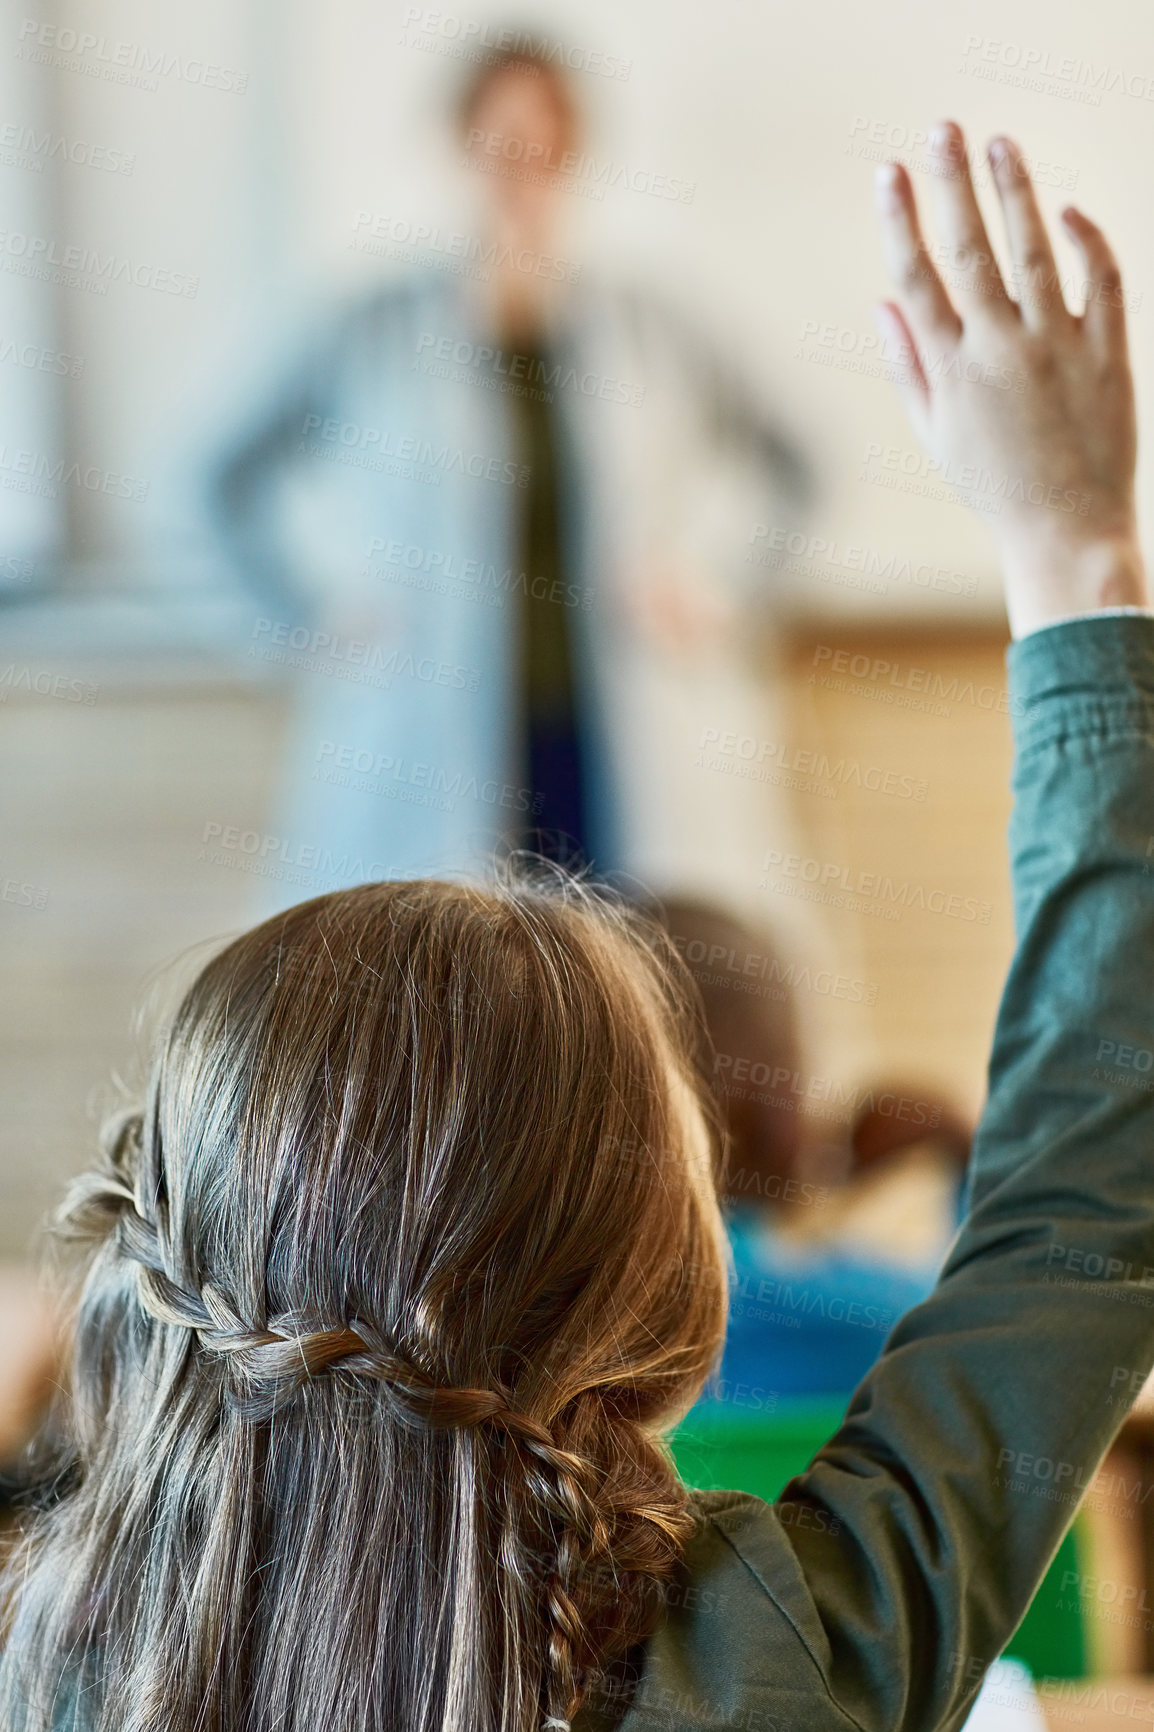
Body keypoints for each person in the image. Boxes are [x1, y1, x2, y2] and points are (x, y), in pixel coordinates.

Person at [3, 121, 1152, 1732]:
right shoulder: (772, 1668)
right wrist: (1074, 550)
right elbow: (1076, 1217)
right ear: (671, 1295)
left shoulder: (56, 1661)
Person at [202, 42, 813, 913]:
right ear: (461, 145)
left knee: (628, 976)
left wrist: (721, 588)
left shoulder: (654, 322)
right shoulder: (374, 324)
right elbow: (217, 480)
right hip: (430, 724)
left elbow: (799, 466)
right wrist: (305, 621)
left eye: (543, 139)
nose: (519, 162)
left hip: (615, 729)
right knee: (446, 980)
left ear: (573, 152)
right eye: (499, 136)